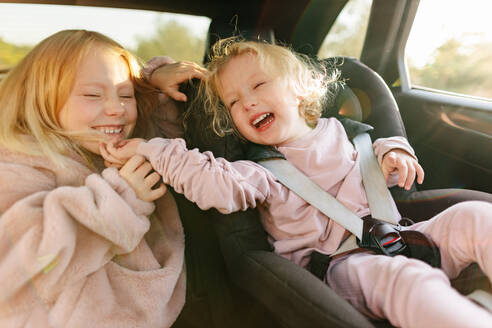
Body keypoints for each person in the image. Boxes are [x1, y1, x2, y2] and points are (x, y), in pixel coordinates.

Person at [102, 39, 492, 327]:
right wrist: (152, 149)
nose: (248, 103)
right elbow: (211, 183)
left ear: (301, 88)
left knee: (476, 217)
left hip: (405, 234)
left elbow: (380, 153)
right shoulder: (260, 172)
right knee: (405, 280)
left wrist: (396, 152)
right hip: (343, 267)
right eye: (234, 102)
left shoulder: (346, 132)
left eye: (258, 86)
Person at [0, 29, 206, 327]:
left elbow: (161, 130)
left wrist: (152, 83)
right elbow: (15, 262)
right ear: (43, 96)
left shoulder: (109, 146)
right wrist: (120, 200)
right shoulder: (17, 162)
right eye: (93, 95)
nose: (116, 109)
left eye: (127, 94)